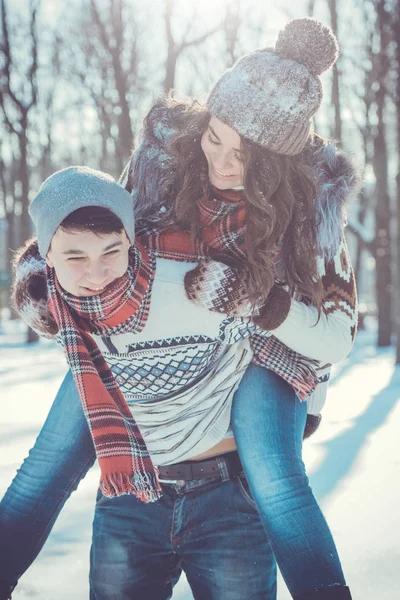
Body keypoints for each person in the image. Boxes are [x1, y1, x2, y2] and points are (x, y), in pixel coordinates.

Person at [0, 17, 358, 600]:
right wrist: (46, 276)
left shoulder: (311, 208)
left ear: (276, 160)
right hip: (135, 338)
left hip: (259, 352)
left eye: (242, 155)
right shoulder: (165, 160)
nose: (219, 160)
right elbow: (95, 225)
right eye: (214, 136)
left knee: (273, 474)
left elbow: (338, 336)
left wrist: (265, 307)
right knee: (46, 465)